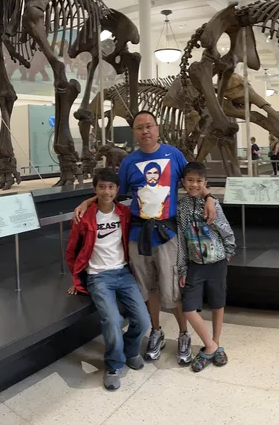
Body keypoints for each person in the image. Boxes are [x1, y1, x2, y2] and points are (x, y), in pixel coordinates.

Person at [73, 111, 216, 365]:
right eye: (139, 128)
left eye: (149, 126)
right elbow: (113, 193)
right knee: (147, 288)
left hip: (167, 233)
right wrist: (88, 200)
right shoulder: (129, 162)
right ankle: (156, 331)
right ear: (134, 133)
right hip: (139, 235)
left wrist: (208, 197)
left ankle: (183, 334)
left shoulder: (174, 155)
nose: (145, 131)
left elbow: (193, 181)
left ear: (157, 128)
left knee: (172, 287)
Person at [66, 168, 150, 390]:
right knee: (111, 321)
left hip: (123, 273)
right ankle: (114, 364)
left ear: (117, 190)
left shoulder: (124, 213)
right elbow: (72, 251)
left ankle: (131, 350)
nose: (106, 191)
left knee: (143, 320)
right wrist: (76, 280)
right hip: (98, 277)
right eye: (101, 187)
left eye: (111, 187)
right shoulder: (84, 218)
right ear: (95, 189)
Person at [177, 162, 235, 372]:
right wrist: (183, 267)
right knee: (189, 307)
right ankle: (211, 346)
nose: (194, 185)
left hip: (217, 261)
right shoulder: (181, 207)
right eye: (190, 180)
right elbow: (183, 240)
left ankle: (215, 343)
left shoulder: (212, 204)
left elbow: (224, 228)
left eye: (199, 181)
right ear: (183, 182)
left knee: (218, 303)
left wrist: (228, 251)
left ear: (205, 183)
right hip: (195, 264)